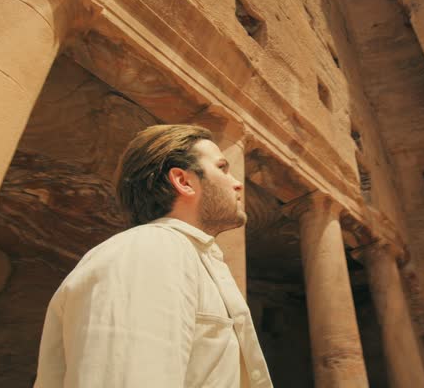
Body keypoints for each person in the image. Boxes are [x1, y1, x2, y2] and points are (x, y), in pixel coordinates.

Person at [34, 124, 273, 387]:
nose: (237, 183)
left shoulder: (184, 256)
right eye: (222, 168)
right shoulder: (148, 250)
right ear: (183, 181)